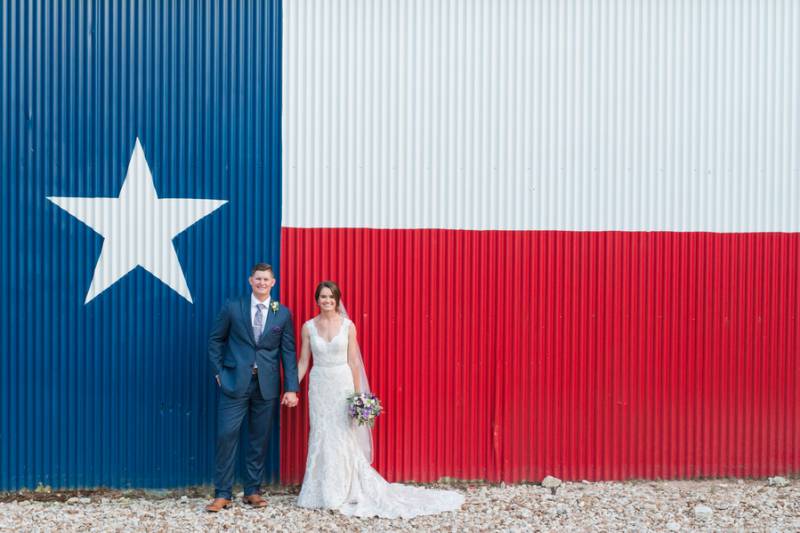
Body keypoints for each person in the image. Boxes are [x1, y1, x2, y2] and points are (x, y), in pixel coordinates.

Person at [296, 280, 464, 518]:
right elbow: (303, 360)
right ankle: (320, 491)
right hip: (320, 385)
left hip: (342, 384)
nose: (327, 301)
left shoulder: (348, 326)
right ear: (317, 300)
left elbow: (354, 362)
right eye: (323, 297)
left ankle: (346, 489)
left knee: (344, 434)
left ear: (337, 300)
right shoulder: (308, 327)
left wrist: (358, 397)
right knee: (321, 433)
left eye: (331, 297)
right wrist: (292, 387)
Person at [206, 263, 300, 512]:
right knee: (227, 435)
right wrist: (218, 372)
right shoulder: (232, 307)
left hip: (267, 385)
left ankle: (252, 491)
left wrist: (291, 387)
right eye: (257, 279)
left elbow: (288, 352)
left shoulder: (282, 313)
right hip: (234, 382)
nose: (261, 283)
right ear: (250, 281)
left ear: (273, 282)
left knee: (259, 439)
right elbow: (216, 339)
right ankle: (222, 493)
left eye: (266, 279)